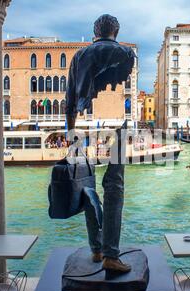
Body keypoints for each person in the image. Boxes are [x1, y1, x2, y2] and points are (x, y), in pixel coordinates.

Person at [65, 14, 136, 273]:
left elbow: (70, 96)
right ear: (116, 30)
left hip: (83, 127)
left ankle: (96, 249)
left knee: (87, 188)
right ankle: (111, 255)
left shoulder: (79, 57)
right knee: (114, 189)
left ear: (94, 31)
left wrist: (70, 131)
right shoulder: (127, 54)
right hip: (116, 126)